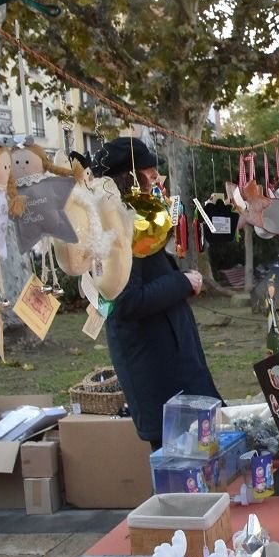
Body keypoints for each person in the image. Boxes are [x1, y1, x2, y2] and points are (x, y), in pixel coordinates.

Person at [91, 136, 221, 449]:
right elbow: (127, 301)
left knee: (201, 455)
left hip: (171, 358)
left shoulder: (135, 219)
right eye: (149, 176)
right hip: (155, 369)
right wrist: (183, 282)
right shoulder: (113, 229)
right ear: (128, 180)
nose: (155, 183)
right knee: (177, 466)